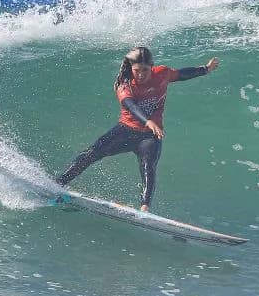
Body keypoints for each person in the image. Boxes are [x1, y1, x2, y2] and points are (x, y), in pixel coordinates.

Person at [55, 46, 220, 212]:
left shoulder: (162, 73)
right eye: (137, 70)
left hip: (150, 136)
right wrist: (148, 121)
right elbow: (130, 105)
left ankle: (144, 208)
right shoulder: (124, 84)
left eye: (145, 70)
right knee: (90, 154)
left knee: (149, 168)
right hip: (125, 132)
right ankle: (58, 184)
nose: (141, 74)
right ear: (130, 68)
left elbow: (182, 74)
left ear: (152, 67)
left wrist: (205, 69)